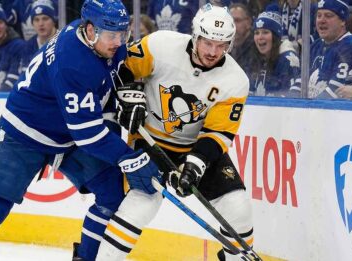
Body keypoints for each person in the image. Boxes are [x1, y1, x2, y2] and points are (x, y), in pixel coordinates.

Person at [0, 0, 161, 260]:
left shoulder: (101, 42)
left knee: (112, 195)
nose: (118, 42)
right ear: (90, 31)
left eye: (123, 34)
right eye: (112, 35)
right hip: (26, 132)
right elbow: (87, 134)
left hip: (69, 133)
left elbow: (112, 81)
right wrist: (129, 158)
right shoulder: (73, 62)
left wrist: (123, 99)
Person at [96, 4, 254, 261]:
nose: (213, 52)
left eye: (221, 45)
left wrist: (193, 167)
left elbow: (217, 134)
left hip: (195, 147)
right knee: (141, 204)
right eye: (207, 43)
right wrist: (128, 96)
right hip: (150, 141)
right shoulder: (160, 45)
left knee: (237, 205)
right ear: (195, 35)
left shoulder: (235, 80)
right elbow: (122, 68)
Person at [304, 0, 352, 99]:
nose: (321, 20)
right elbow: (300, 81)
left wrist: (308, 109)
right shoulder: (316, 45)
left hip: (333, 112)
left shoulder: (350, 46)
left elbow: (335, 91)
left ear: (343, 21)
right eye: (319, 15)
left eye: (328, 16)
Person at [244, 5, 301, 97]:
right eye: (257, 33)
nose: (260, 37)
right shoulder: (255, 58)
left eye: (265, 32)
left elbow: (289, 99)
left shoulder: (288, 59)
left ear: (275, 37)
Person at [20, 0, 58, 67]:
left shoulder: (63, 40)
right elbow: (25, 74)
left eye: (45, 19)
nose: (41, 24)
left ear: (53, 21)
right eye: (36, 20)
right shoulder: (29, 45)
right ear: (32, 23)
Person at [230, 3, 257, 72]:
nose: (233, 25)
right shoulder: (223, 47)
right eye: (230, 21)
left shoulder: (257, 48)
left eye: (237, 20)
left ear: (249, 23)